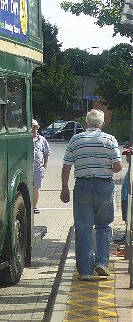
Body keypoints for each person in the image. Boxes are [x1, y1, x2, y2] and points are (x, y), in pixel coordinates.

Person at [60, 109, 122, 280]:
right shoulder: (110, 140)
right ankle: (102, 263)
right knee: (103, 226)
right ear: (102, 123)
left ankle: (85, 272)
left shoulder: (75, 139)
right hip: (104, 186)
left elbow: (66, 166)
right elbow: (117, 167)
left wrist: (64, 187)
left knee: (83, 228)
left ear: (87, 123)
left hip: (82, 186)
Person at [32, 119, 50, 214]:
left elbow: (46, 153)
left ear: (37, 128)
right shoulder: (26, 139)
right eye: (32, 127)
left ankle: (34, 206)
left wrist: (44, 167)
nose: (33, 129)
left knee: (36, 188)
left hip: (38, 169)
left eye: (35, 127)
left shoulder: (42, 139)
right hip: (27, 168)